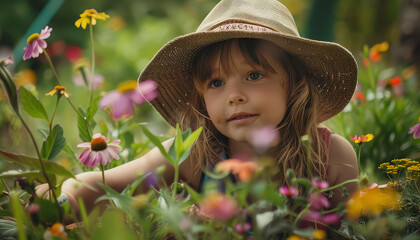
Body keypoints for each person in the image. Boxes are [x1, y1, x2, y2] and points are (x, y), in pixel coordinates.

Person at [38, 0, 359, 221]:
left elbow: (353, 229)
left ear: (294, 84)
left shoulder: (329, 157)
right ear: (200, 96)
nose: (234, 96)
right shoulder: (197, 154)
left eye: (254, 75)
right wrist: (59, 200)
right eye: (216, 82)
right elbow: (102, 184)